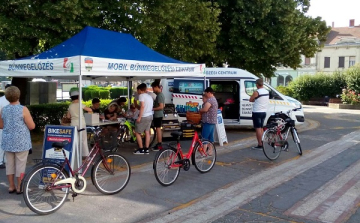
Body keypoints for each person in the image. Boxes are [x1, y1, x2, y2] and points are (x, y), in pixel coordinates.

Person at [0, 86, 35, 194]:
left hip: (7, 141)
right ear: (18, 96)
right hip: (21, 142)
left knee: (9, 164)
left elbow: (1, 125)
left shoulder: (3, 109)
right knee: (20, 165)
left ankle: (11, 186)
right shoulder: (23, 109)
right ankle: (20, 186)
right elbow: (32, 126)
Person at [66, 91, 93, 158]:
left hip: (73, 123)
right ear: (78, 96)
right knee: (83, 139)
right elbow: (89, 109)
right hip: (81, 123)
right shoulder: (80, 104)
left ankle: (75, 154)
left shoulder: (70, 106)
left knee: (75, 139)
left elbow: (68, 116)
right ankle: (85, 155)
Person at [133, 83, 154, 155]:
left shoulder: (141, 96)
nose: (137, 92)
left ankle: (141, 149)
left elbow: (142, 106)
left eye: (137, 90)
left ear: (139, 90)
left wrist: (139, 117)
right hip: (150, 115)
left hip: (144, 116)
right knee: (147, 132)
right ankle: (146, 149)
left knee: (137, 132)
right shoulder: (149, 96)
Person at [249, 78, 269, 150]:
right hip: (263, 112)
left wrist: (254, 99)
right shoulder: (266, 91)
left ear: (257, 85)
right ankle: (262, 142)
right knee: (261, 128)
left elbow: (250, 100)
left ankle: (260, 144)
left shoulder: (257, 92)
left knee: (257, 129)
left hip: (257, 112)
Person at [151, 81, 165, 151]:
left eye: (153, 88)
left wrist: (153, 109)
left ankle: (159, 143)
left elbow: (161, 106)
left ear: (156, 87)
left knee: (158, 129)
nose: (152, 89)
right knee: (158, 129)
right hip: (158, 114)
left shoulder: (159, 95)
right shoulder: (160, 95)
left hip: (158, 115)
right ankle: (159, 143)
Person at [0, 84, 11, 169]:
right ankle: (1, 160)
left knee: (5, 143)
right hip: (3, 125)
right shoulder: (1, 100)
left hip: (8, 125)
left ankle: (4, 160)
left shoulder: (2, 100)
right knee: (2, 143)